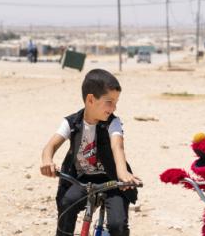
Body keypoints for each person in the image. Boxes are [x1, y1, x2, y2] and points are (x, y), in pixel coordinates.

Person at [40, 69, 141, 236]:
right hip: (82, 181)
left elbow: (118, 147)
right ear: (91, 99)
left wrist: (123, 173)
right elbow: (50, 146)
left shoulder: (113, 123)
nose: (114, 107)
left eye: (116, 102)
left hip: (113, 179)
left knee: (118, 225)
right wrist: (46, 160)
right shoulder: (71, 122)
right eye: (109, 101)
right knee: (66, 207)